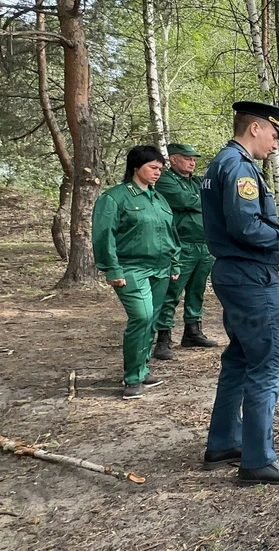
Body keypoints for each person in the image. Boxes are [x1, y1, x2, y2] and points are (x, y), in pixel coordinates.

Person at [200, 100, 279, 485]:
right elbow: (245, 226)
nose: (275, 144)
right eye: (274, 134)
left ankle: (223, 441)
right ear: (255, 128)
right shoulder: (238, 167)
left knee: (239, 357)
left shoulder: (223, 162)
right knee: (267, 364)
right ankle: (258, 459)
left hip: (235, 274)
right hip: (251, 277)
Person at [92, 146, 180, 400]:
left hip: (161, 269)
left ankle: (142, 369)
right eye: (153, 167)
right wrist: (112, 268)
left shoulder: (158, 198)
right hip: (131, 269)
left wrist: (174, 263)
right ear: (135, 167)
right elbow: (103, 235)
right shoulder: (116, 197)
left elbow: (170, 233)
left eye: (160, 169)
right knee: (141, 317)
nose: (157, 173)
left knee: (151, 320)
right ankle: (132, 378)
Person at [152, 142, 217, 359]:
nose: (192, 162)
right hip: (181, 245)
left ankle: (193, 331)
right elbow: (183, 200)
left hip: (204, 244)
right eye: (187, 158)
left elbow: (213, 197)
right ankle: (163, 337)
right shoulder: (165, 180)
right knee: (171, 292)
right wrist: (203, 201)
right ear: (173, 159)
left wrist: (202, 200)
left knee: (197, 291)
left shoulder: (197, 181)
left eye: (194, 158)